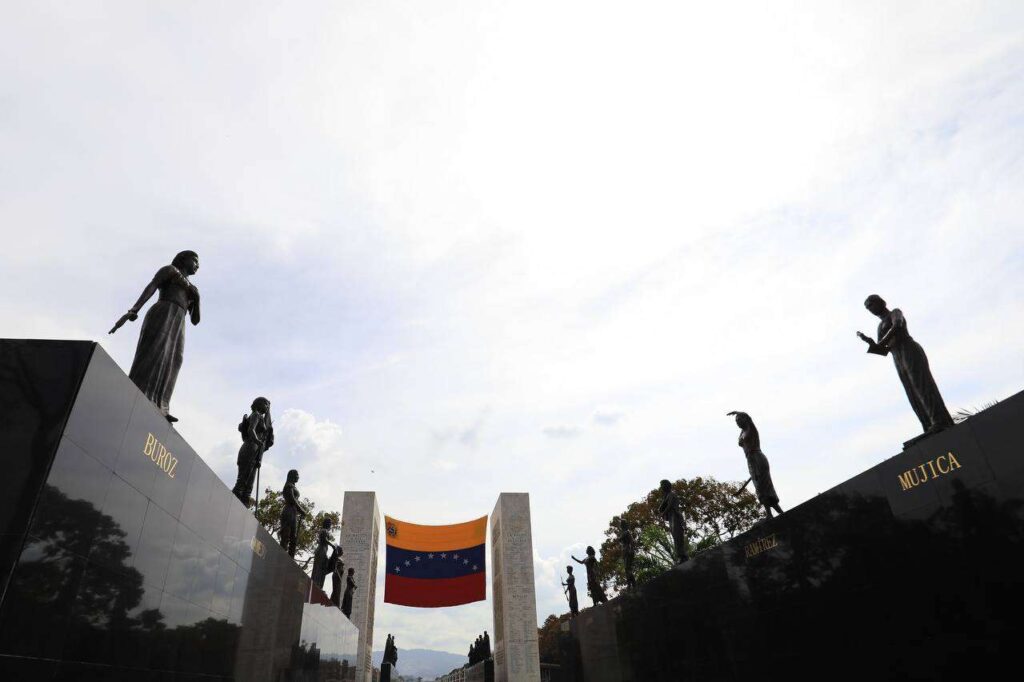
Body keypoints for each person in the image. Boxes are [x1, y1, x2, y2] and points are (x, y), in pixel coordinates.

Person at [109, 250, 200, 422]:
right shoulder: (171, 270)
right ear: (183, 259)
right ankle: (139, 391)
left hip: (179, 321)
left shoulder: (192, 288)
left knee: (175, 359)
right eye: (195, 260)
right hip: (164, 310)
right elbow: (152, 286)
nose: (198, 265)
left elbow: (195, 320)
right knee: (155, 351)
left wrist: (197, 298)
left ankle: (161, 404)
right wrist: (134, 309)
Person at [857, 294, 954, 435]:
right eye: (867, 308)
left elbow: (897, 325)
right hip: (897, 357)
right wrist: (869, 341)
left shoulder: (895, 312)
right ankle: (928, 424)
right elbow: (882, 349)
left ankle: (939, 420)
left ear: (881, 302)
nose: (870, 309)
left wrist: (881, 343)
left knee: (922, 385)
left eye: (871, 304)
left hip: (908, 349)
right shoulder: (880, 326)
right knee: (911, 390)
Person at [728, 412, 783, 519]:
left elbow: (750, 421)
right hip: (750, 461)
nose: (737, 422)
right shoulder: (742, 432)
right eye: (736, 421)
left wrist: (738, 412)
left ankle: (770, 514)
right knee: (760, 488)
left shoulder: (751, 429)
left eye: (739, 419)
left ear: (746, 419)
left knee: (763, 487)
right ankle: (778, 513)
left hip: (757, 458)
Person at [232, 397, 274, 506]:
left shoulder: (260, 416)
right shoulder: (256, 415)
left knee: (249, 484)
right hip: (250, 448)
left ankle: (243, 504)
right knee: (242, 481)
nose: (267, 407)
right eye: (266, 404)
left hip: (255, 451)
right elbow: (251, 430)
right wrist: (258, 441)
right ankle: (233, 502)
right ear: (259, 404)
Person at [657, 479, 689, 564]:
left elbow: (670, 506)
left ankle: (682, 556)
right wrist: (664, 498)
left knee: (678, 537)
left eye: (662, 486)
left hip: (676, 516)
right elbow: (660, 508)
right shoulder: (667, 496)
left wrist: (663, 513)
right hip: (671, 518)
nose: (661, 488)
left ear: (666, 486)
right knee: (675, 537)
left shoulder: (672, 494)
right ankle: (680, 556)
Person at [278, 470, 307, 557]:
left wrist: (299, 510)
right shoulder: (288, 486)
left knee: (293, 538)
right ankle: (281, 556)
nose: (298, 477)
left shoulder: (293, 486)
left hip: (294, 513)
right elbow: (292, 499)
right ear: (292, 475)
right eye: (297, 475)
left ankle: (290, 559)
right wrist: (301, 510)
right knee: (285, 536)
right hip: (288, 512)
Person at [311, 517, 336, 589]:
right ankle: (316, 584)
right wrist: (332, 545)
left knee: (322, 568)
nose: (330, 525)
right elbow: (324, 539)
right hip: (321, 551)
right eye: (330, 523)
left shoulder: (325, 531)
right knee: (318, 568)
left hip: (323, 551)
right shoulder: (324, 530)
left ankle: (318, 585)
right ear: (326, 523)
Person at [618, 519, 637, 589]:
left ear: (624, 525)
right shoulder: (623, 533)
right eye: (621, 524)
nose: (621, 526)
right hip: (625, 552)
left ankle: (631, 585)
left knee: (628, 568)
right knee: (627, 569)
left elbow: (632, 541)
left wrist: (631, 549)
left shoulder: (627, 532)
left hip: (628, 550)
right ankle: (631, 584)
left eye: (622, 524)